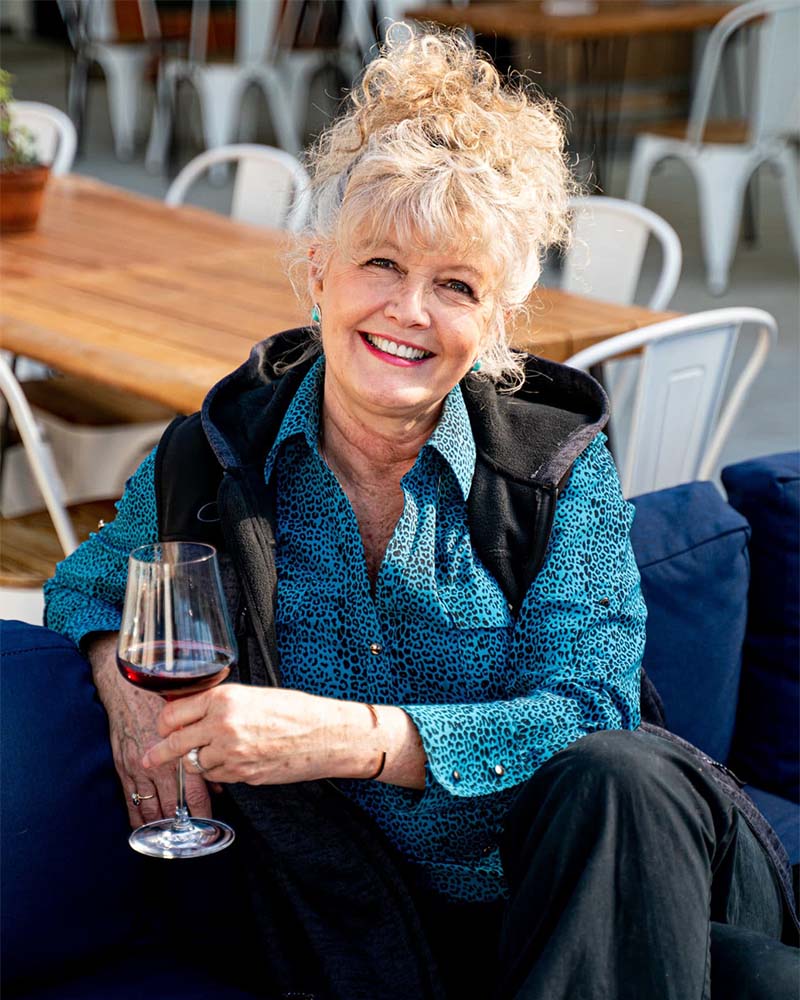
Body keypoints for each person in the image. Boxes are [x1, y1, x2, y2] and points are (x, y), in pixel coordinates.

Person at [43, 25, 797, 1000]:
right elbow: (86, 582)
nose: (408, 311)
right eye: (380, 265)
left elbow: (585, 713)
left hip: (573, 895)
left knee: (625, 774)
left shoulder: (557, 469)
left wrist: (348, 737)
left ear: (493, 321)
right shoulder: (214, 455)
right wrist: (121, 679)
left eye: (454, 284)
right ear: (317, 273)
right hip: (357, 922)